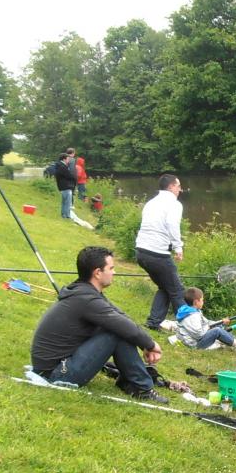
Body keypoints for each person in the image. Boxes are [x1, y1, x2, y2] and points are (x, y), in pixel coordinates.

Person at [29, 245, 166, 403]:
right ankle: (142, 388)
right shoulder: (87, 299)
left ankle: (130, 381)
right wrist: (151, 345)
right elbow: (122, 326)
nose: (114, 272)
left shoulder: (85, 292)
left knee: (119, 327)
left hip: (59, 364)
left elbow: (120, 316)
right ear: (98, 272)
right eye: (111, 268)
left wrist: (145, 344)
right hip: (56, 373)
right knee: (116, 332)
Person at [135, 173, 186, 330]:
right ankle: (191, 329)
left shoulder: (151, 202)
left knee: (165, 287)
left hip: (141, 252)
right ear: (171, 187)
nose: (180, 190)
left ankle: (154, 322)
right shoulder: (174, 204)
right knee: (177, 291)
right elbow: (172, 225)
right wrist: (178, 247)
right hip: (157, 254)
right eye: (178, 186)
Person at [54, 149, 78, 219]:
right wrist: (74, 178)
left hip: (63, 186)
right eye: (67, 159)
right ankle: (67, 215)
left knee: (64, 201)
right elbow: (69, 175)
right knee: (67, 202)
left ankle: (64, 215)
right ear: (64, 159)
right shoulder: (62, 166)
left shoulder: (60, 165)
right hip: (66, 186)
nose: (68, 160)